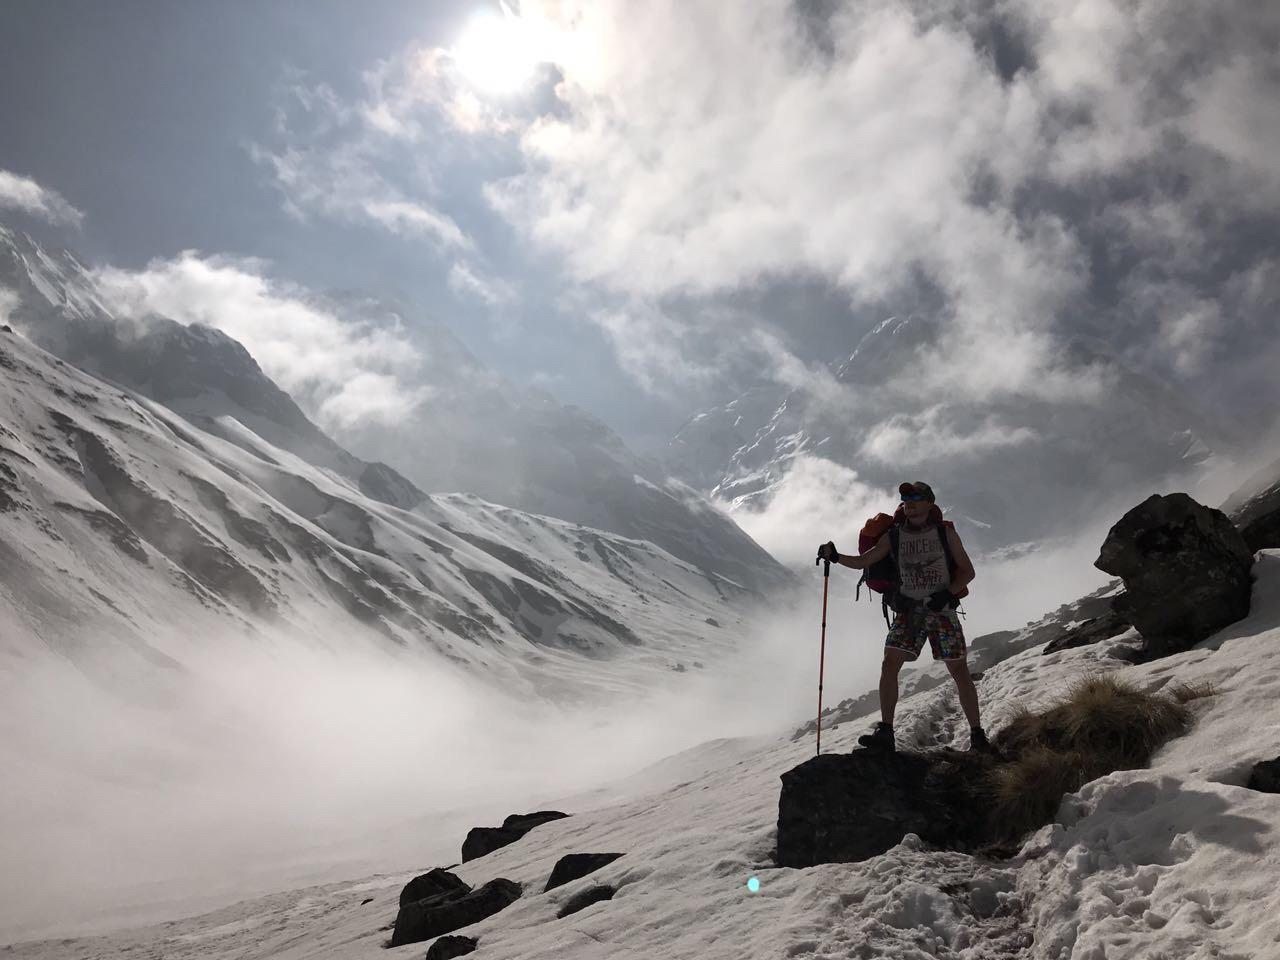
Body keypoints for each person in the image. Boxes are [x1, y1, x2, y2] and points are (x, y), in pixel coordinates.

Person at [817, 481, 990, 752]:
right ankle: (886, 731)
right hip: (911, 610)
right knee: (890, 665)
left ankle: (978, 734)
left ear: (929, 503)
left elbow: (967, 571)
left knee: (958, 671)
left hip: (939, 611)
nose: (908, 500)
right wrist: (835, 556)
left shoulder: (945, 534)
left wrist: (947, 594)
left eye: (916, 496)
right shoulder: (895, 535)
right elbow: (866, 561)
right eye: (905, 496)